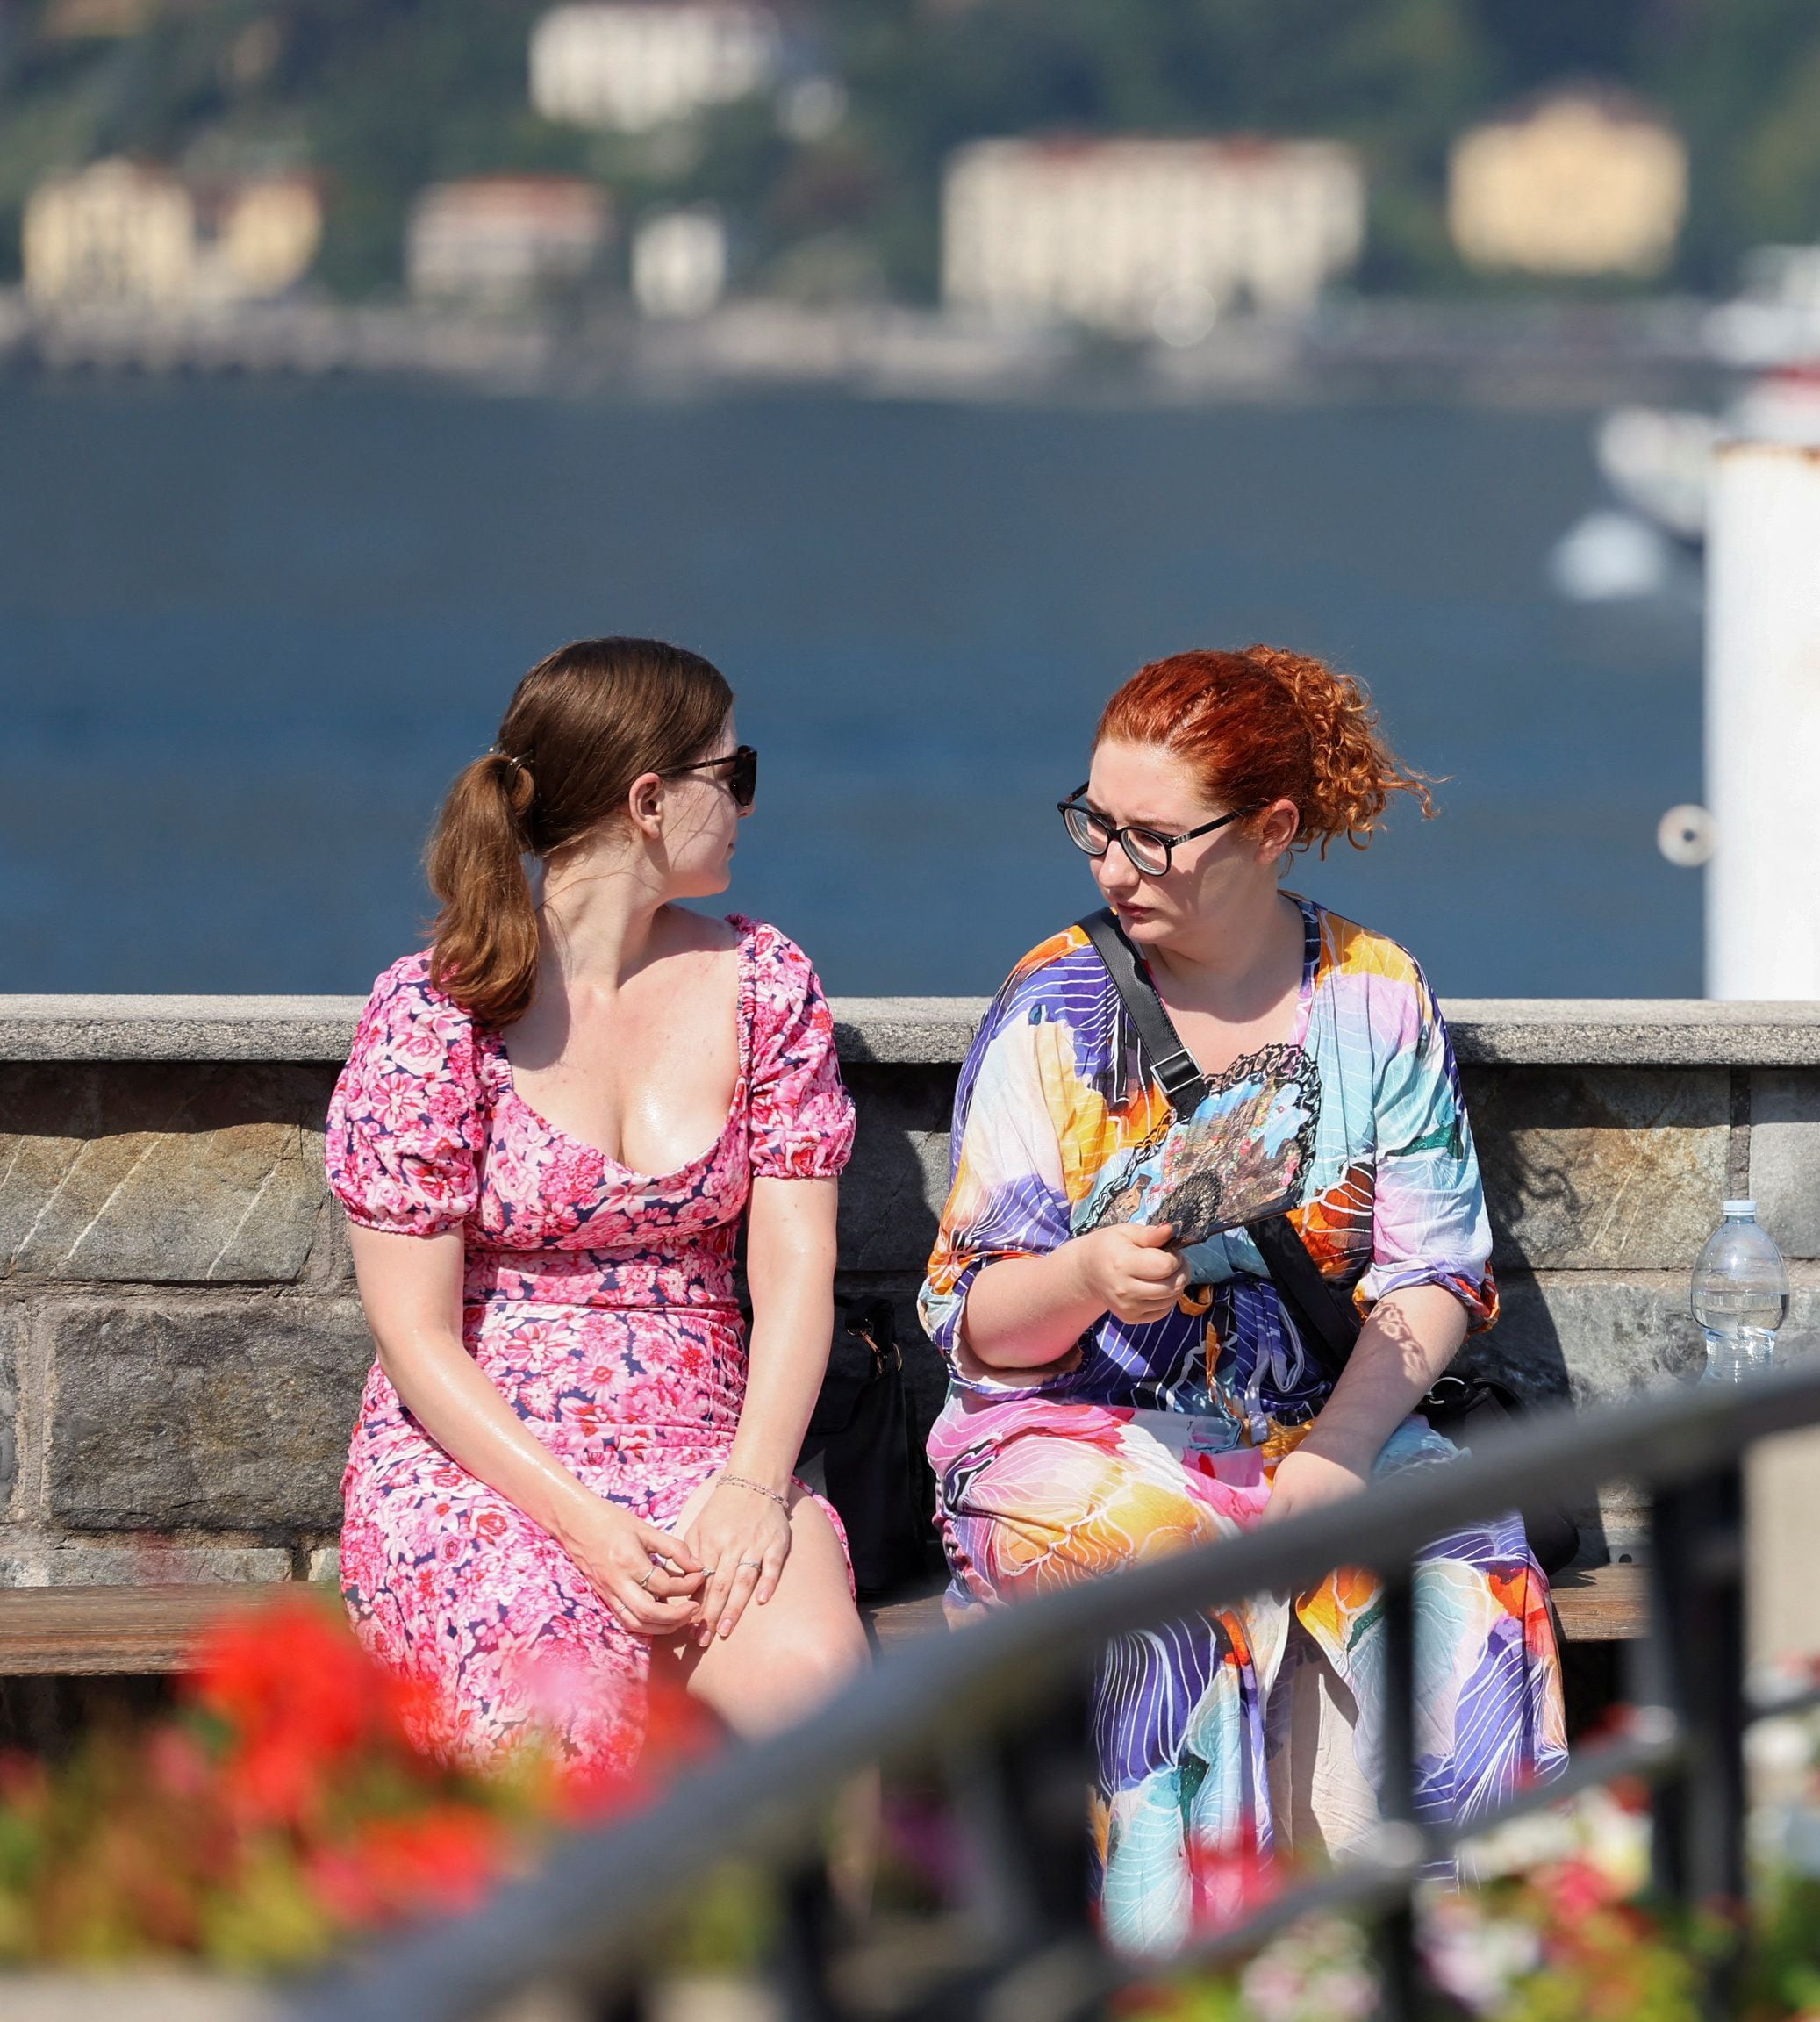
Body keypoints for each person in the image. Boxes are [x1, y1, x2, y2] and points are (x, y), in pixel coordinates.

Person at [922, 646, 1564, 1951]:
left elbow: (1438, 1276)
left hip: (1325, 1426)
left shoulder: (1375, 994)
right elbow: (973, 1319)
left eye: (1154, 838)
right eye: (1096, 826)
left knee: (1479, 1583)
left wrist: (1336, 1454)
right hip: (1075, 1434)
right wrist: (1090, 1276)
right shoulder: (1057, 1006)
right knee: (1174, 1575)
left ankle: (1467, 1963)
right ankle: (1192, 1972)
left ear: (1271, 831)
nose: (1113, 867)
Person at [325, 637, 864, 1766]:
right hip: (490, 1465)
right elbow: (413, 1333)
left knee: (821, 1703)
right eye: (737, 775)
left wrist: (754, 1485)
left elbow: (794, 1266)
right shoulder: (441, 1013)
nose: (749, 808)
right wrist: (582, 1521)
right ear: (651, 800)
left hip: (710, 1451)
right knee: (558, 1709)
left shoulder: (768, 984)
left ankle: (834, 1946)